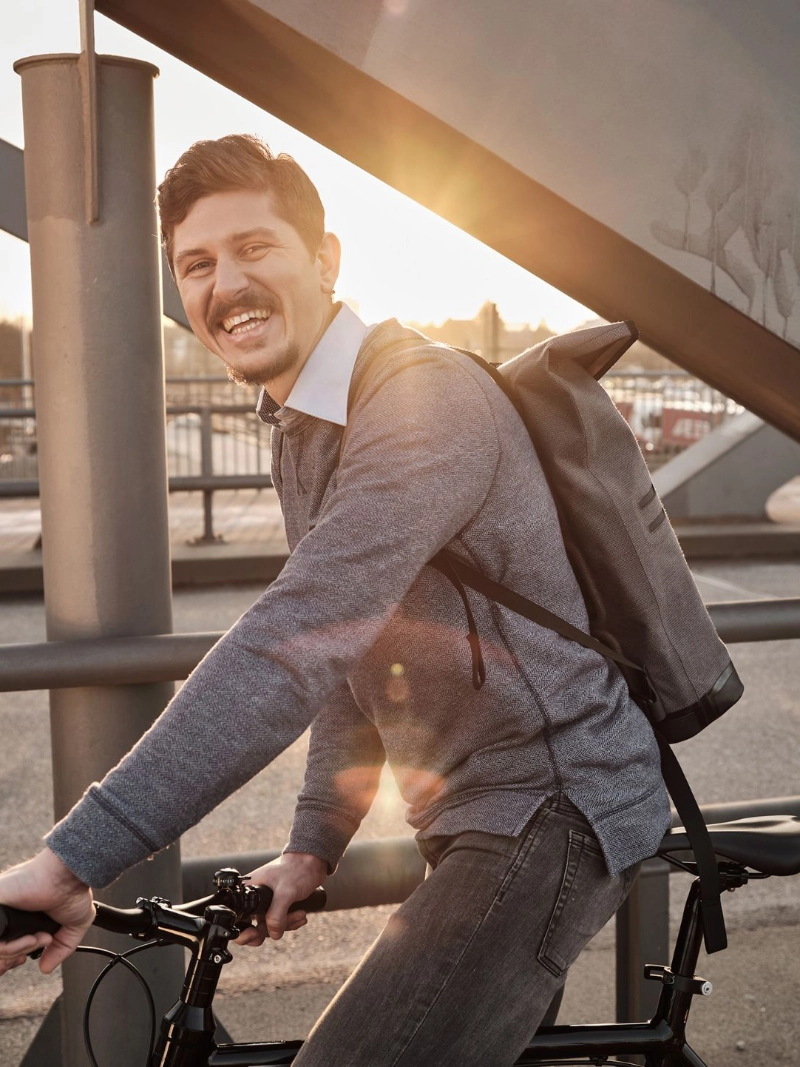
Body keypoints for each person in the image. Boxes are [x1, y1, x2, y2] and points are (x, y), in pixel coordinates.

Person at [0, 134, 671, 1065]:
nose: (226, 284)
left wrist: (72, 859)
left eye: (255, 247)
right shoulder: (306, 425)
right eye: (197, 264)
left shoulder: (421, 400)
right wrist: (314, 845)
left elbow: (297, 640)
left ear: (325, 259)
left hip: (554, 802)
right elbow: (359, 651)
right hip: (481, 813)